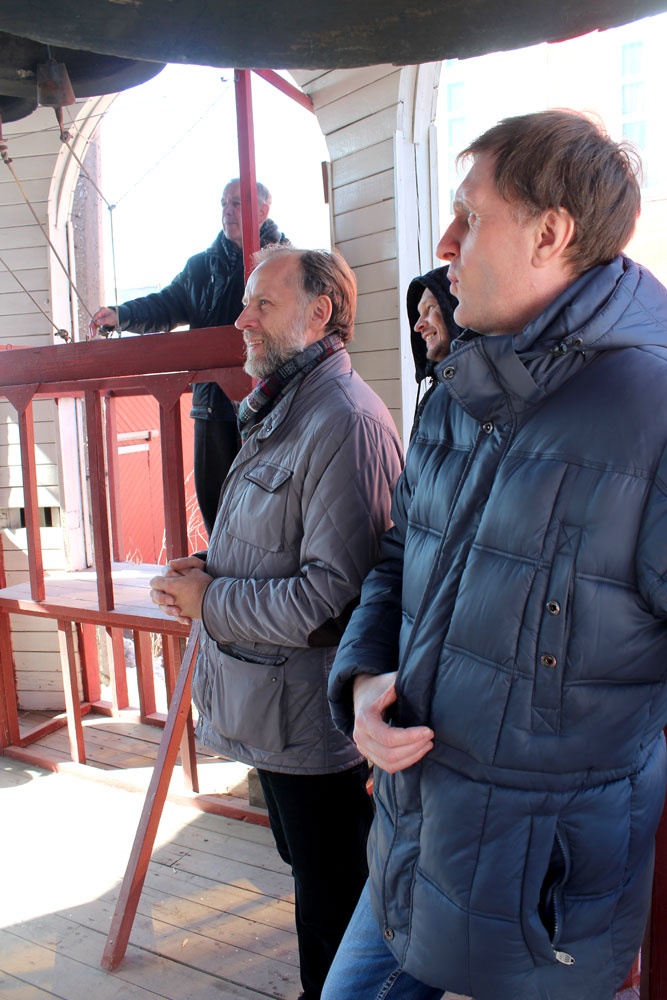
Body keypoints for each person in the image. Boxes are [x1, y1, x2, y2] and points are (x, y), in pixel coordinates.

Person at [325, 109, 667, 1000]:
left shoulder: (653, 410)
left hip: (547, 890)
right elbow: (397, 559)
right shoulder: (457, 391)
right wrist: (360, 681)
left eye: (469, 216)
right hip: (415, 841)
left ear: (549, 235)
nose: (444, 245)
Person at [149, 245, 403, 1000]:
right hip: (276, 716)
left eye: (262, 303)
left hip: (313, 728)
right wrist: (208, 566)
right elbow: (277, 543)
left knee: (335, 905)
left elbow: (333, 601)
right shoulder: (286, 408)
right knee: (311, 879)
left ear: (318, 313)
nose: (241, 318)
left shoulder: (343, 421)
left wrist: (210, 601)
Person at [88, 179, 289, 535]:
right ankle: (219, 568)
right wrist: (121, 315)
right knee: (215, 503)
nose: (227, 210)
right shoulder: (200, 268)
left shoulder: (287, 265)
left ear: (263, 210)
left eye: (237, 203)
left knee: (271, 505)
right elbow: (165, 305)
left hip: (271, 403)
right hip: (212, 405)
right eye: (223, 203)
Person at [407, 266, 461, 434]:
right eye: (419, 313)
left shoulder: (487, 395)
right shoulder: (432, 398)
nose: (417, 325)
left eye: (430, 308)